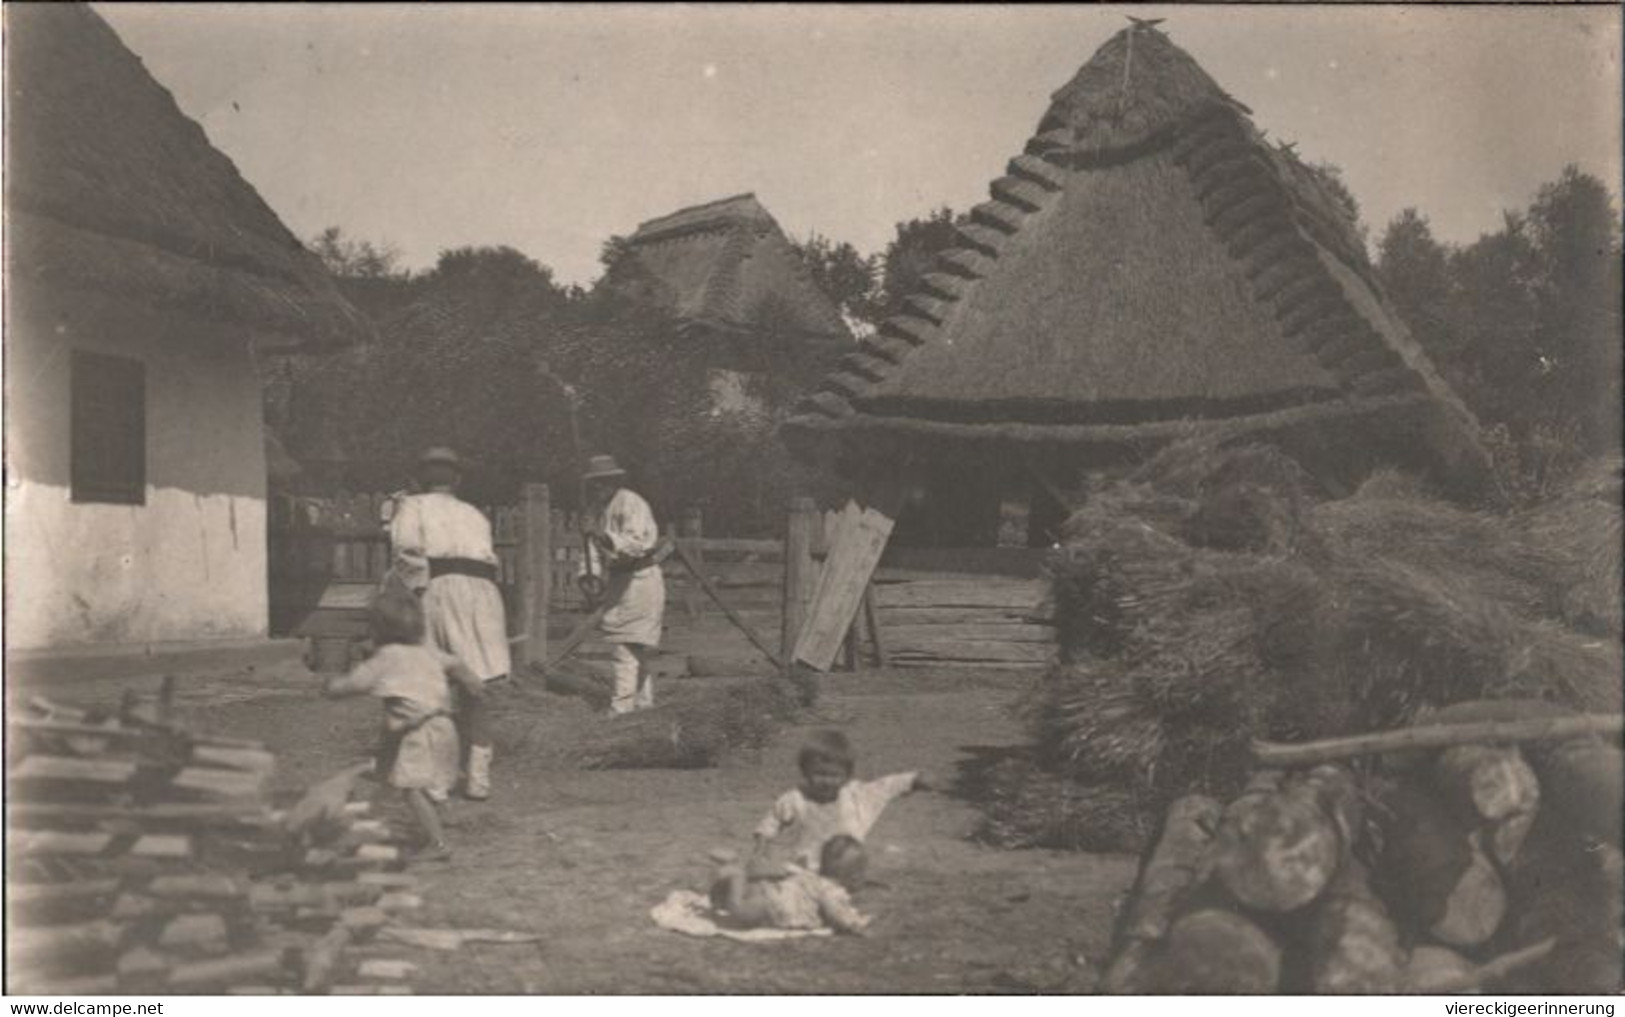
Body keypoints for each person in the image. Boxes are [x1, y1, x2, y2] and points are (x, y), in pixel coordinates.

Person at [323, 591, 483, 862]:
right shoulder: (428, 653)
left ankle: (439, 843)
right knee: (400, 777)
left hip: (415, 733)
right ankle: (393, 821)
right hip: (444, 727)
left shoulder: (387, 658)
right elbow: (456, 663)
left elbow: (355, 683)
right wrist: (471, 682)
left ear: (377, 629)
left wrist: (331, 687)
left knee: (410, 788)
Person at [388, 446, 509, 800]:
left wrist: (413, 591)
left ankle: (438, 782)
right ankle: (477, 779)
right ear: (456, 478)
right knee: (477, 684)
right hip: (484, 593)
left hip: (440, 588)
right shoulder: (474, 513)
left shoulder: (412, 506)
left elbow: (407, 550)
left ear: (422, 477)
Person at [753, 730, 932, 872]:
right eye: (819, 774)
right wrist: (760, 849)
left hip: (844, 869)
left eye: (834, 775)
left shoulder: (855, 795)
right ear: (805, 772)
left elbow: (885, 786)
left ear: (847, 776)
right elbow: (771, 821)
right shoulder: (795, 798)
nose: (826, 781)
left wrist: (913, 780)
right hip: (806, 866)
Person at [578, 454, 667, 715]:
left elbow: (635, 544)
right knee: (633, 647)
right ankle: (644, 705)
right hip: (619, 582)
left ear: (615, 480)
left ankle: (621, 708)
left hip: (641, 580)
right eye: (595, 483)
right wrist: (590, 577)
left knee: (627, 646)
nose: (599, 487)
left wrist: (600, 534)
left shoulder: (631, 503)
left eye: (605, 481)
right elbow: (591, 551)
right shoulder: (599, 510)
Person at [709, 835, 871, 935]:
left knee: (738, 897)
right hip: (775, 906)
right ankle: (736, 874)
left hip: (768, 889)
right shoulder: (831, 889)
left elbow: (791, 870)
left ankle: (725, 886)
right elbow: (835, 911)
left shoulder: (811, 877)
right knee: (739, 912)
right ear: (853, 876)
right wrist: (852, 925)